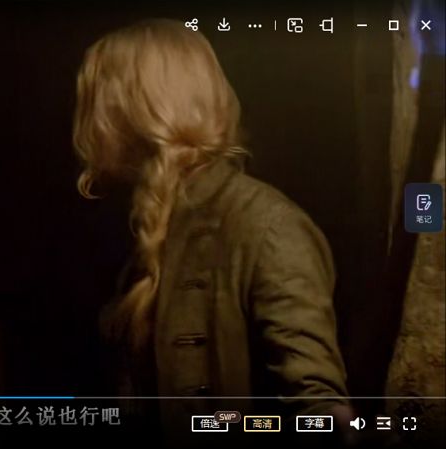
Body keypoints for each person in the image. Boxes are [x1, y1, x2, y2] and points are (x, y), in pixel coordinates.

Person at [72, 19, 353, 445]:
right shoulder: (147, 226)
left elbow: (320, 411)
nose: (89, 120)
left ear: (134, 109)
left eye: (98, 100)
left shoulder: (264, 224)